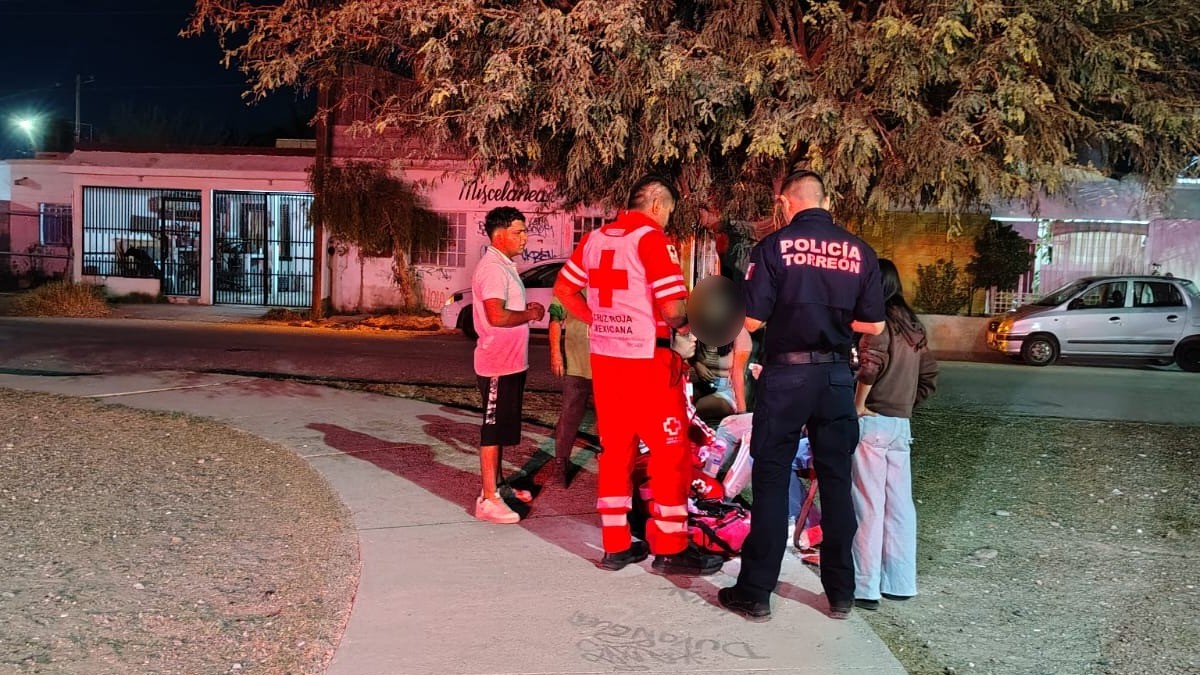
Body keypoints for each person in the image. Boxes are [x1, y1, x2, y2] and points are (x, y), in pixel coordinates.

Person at [718, 170, 885, 621]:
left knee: (771, 480)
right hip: (834, 378)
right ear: (827, 201)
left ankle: (755, 593)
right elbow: (874, 325)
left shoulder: (773, 248)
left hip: (787, 376)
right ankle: (841, 594)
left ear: (784, 203)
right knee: (835, 482)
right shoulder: (860, 252)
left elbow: (750, 320)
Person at [554, 175, 725, 575]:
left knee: (616, 452)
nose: (667, 219)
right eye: (668, 212)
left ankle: (615, 546)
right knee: (671, 454)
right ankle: (670, 548)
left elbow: (564, 291)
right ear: (656, 206)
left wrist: (597, 321)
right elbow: (672, 309)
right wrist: (689, 329)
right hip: (648, 363)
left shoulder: (594, 239)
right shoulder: (652, 239)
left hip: (607, 362)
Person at [851, 259, 939, 610]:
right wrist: (906, 405)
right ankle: (900, 582)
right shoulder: (912, 325)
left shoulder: (877, 323)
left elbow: (870, 366)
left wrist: (859, 404)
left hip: (872, 422)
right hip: (900, 425)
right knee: (900, 506)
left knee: (867, 506)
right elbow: (930, 375)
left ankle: (865, 587)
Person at [471, 206, 546, 524]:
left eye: (525, 231)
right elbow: (496, 316)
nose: (525, 238)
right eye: (519, 232)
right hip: (497, 364)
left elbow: (506, 308)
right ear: (499, 235)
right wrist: (529, 314)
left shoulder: (505, 266)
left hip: (512, 363)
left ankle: (499, 486)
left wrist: (524, 309)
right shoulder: (492, 268)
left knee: (501, 430)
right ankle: (487, 499)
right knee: (492, 432)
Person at [548, 294, 593, 487]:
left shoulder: (612, 276)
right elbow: (555, 319)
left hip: (607, 365)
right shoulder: (571, 282)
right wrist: (555, 353)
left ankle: (611, 461)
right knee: (569, 416)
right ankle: (561, 462)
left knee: (611, 419)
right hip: (576, 364)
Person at [689, 326, 752, 424]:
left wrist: (742, 411)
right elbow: (686, 352)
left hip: (729, 389)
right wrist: (696, 364)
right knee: (680, 401)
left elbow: (738, 374)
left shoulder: (739, 334)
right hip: (703, 384)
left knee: (696, 408)